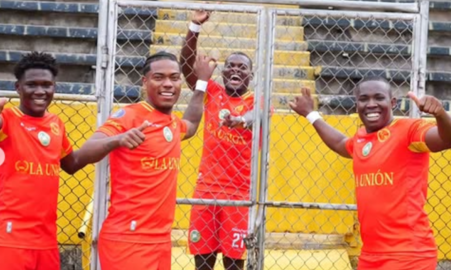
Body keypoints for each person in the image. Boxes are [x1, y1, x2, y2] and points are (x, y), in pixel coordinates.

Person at [289, 77, 451, 270]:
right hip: (371, 256)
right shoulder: (362, 138)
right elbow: (340, 144)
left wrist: (441, 115)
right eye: (364, 99)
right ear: (357, 105)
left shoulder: (408, 130)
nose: (371, 104)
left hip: (409, 255)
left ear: (393, 103)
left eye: (379, 98)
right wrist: (311, 114)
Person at [74, 51, 215, 270]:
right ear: (145, 81)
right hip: (128, 239)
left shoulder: (172, 124)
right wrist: (118, 139)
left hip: (160, 241)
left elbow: (192, 123)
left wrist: (202, 82)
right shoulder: (130, 116)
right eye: (159, 77)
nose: (168, 84)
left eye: (174, 78)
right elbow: (84, 153)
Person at [180, 9, 263, 270]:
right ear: (223, 72)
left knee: (233, 264)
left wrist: (242, 120)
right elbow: (186, 66)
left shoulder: (256, 99)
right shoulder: (212, 91)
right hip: (206, 191)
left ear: (250, 75)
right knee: (203, 263)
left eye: (242, 67)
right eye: (231, 66)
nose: (236, 70)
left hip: (239, 195)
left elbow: (257, 116)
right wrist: (194, 27)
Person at [0, 52, 90, 270]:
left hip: (47, 240)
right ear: (18, 87)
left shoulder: (55, 123)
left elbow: (72, 163)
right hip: (11, 238)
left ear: (54, 87)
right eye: (31, 85)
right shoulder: (8, 120)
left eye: (46, 85)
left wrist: (114, 141)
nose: (40, 91)